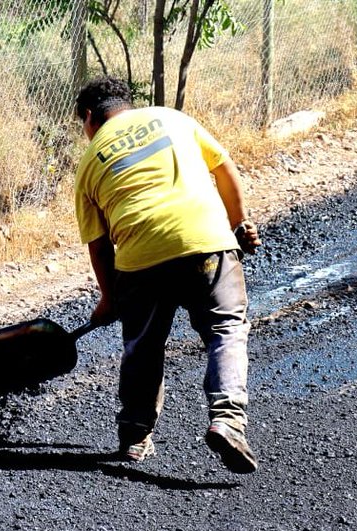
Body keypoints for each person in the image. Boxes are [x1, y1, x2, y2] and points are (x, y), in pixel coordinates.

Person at [73, 76, 262, 474]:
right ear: (127, 104)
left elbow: (99, 244)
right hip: (206, 241)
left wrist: (109, 298)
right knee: (225, 329)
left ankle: (135, 435)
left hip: (141, 260)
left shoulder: (89, 163)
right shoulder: (171, 118)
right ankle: (227, 420)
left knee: (143, 344)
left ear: (90, 118)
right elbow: (223, 166)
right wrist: (240, 222)